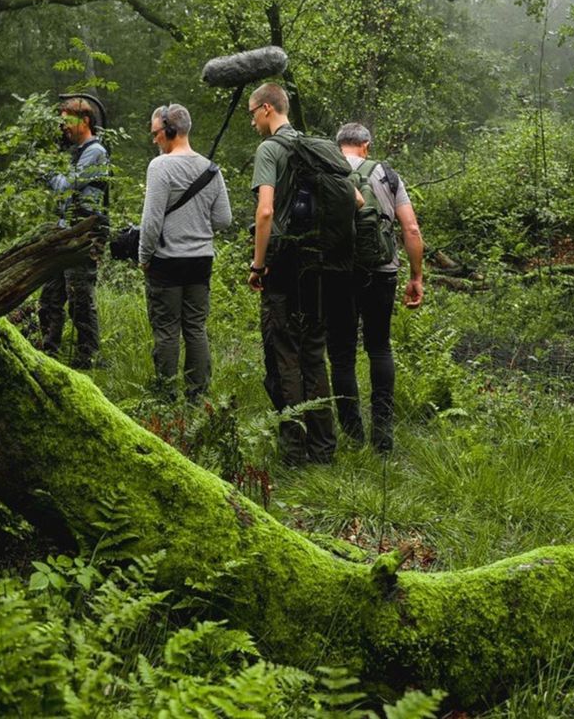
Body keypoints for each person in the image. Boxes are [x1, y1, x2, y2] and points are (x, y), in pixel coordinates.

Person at [246, 82, 355, 466]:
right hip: (322, 266)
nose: (252, 122)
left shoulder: (270, 149)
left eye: (252, 113)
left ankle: (293, 450)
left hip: (285, 268)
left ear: (266, 109)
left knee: (286, 355)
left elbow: (264, 212)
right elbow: (356, 200)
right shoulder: (319, 149)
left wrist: (258, 265)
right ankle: (324, 449)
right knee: (314, 354)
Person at [330, 123, 426, 451]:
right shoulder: (387, 174)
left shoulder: (327, 169)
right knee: (379, 347)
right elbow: (411, 229)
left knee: (342, 353)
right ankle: (382, 437)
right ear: (366, 146)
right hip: (382, 271)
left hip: (339, 272)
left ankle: (351, 435)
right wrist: (416, 277)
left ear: (338, 144)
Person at [139, 103, 232, 400]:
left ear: (169, 131)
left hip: (167, 261)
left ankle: (166, 396)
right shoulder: (211, 169)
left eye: (156, 134)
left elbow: (151, 221)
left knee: (167, 330)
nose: (155, 140)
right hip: (201, 260)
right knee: (195, 327)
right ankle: (198, 396)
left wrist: (143, 256)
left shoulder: (160, 167)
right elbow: (223, 220)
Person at [39, 95, 111, 368]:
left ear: (85, 121)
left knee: (80, 298)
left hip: (83, 234)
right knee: (50, 297)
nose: (63, 127)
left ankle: (87, 358)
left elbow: (67, 186)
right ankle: (49, 353)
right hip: (65, 232)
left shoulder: (95, 152)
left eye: (67, 121)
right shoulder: (74, 152)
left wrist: (48, 173)